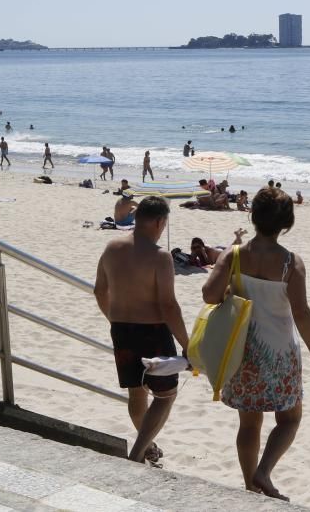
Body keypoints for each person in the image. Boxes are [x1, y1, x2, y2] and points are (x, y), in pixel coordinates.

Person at [201, 187, 310, 500]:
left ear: (253, 217)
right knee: (290, 418)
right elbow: (302, 313)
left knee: (248, 424)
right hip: (280, 352)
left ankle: (249, 485)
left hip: (244, 351)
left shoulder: (235, 254)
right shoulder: (290, 263)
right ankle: (264, 471)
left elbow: (208, 294)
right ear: (286, 223)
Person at [94, 196, 189, 465]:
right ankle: (138, 452)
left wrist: (113, 319)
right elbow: (169, 306)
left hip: (122, 330)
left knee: (137, 392)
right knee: (165, 395)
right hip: (154, 333)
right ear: (159, 221)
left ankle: (146, 446)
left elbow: (100, 290)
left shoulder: (112, 247)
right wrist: (187, 343)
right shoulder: (160, 257)